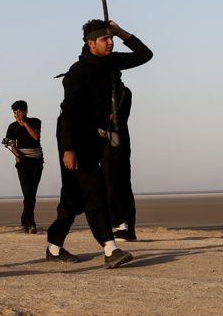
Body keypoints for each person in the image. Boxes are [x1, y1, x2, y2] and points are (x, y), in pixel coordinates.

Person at [44, 19, 152, 268]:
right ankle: (110, 248)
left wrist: (120, 32)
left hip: (96, 137)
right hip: (74, 137)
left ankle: (54, 246)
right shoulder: (77, 73)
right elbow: (68, 113)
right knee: (95, 189)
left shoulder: (112, 62)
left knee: (73, 196)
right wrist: (68, 149)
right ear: (91, 43)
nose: (111, 42)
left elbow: (145, 55)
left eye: (111, 38)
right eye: (105, 39)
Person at [4, 100, 44, 233]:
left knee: (32, 194)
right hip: (23, 163)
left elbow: (36, 137)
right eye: (15, 112)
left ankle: (24, 220)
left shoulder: (35, 122)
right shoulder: (12, 126)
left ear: (26, 111)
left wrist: (25, 124)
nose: (17, 115)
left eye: (19, 112)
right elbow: (10, 144)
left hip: (37, 162)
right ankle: (31, 224)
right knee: (27, 192)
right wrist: (16, 155)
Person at [104, 82, 137, 240]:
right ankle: (129, 228)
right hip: (121, 141)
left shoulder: (118, 92)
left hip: (113, 142)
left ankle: (121, 226)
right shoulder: (124, 91)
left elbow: (111, 118)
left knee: (112, 183)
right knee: (123, 184)